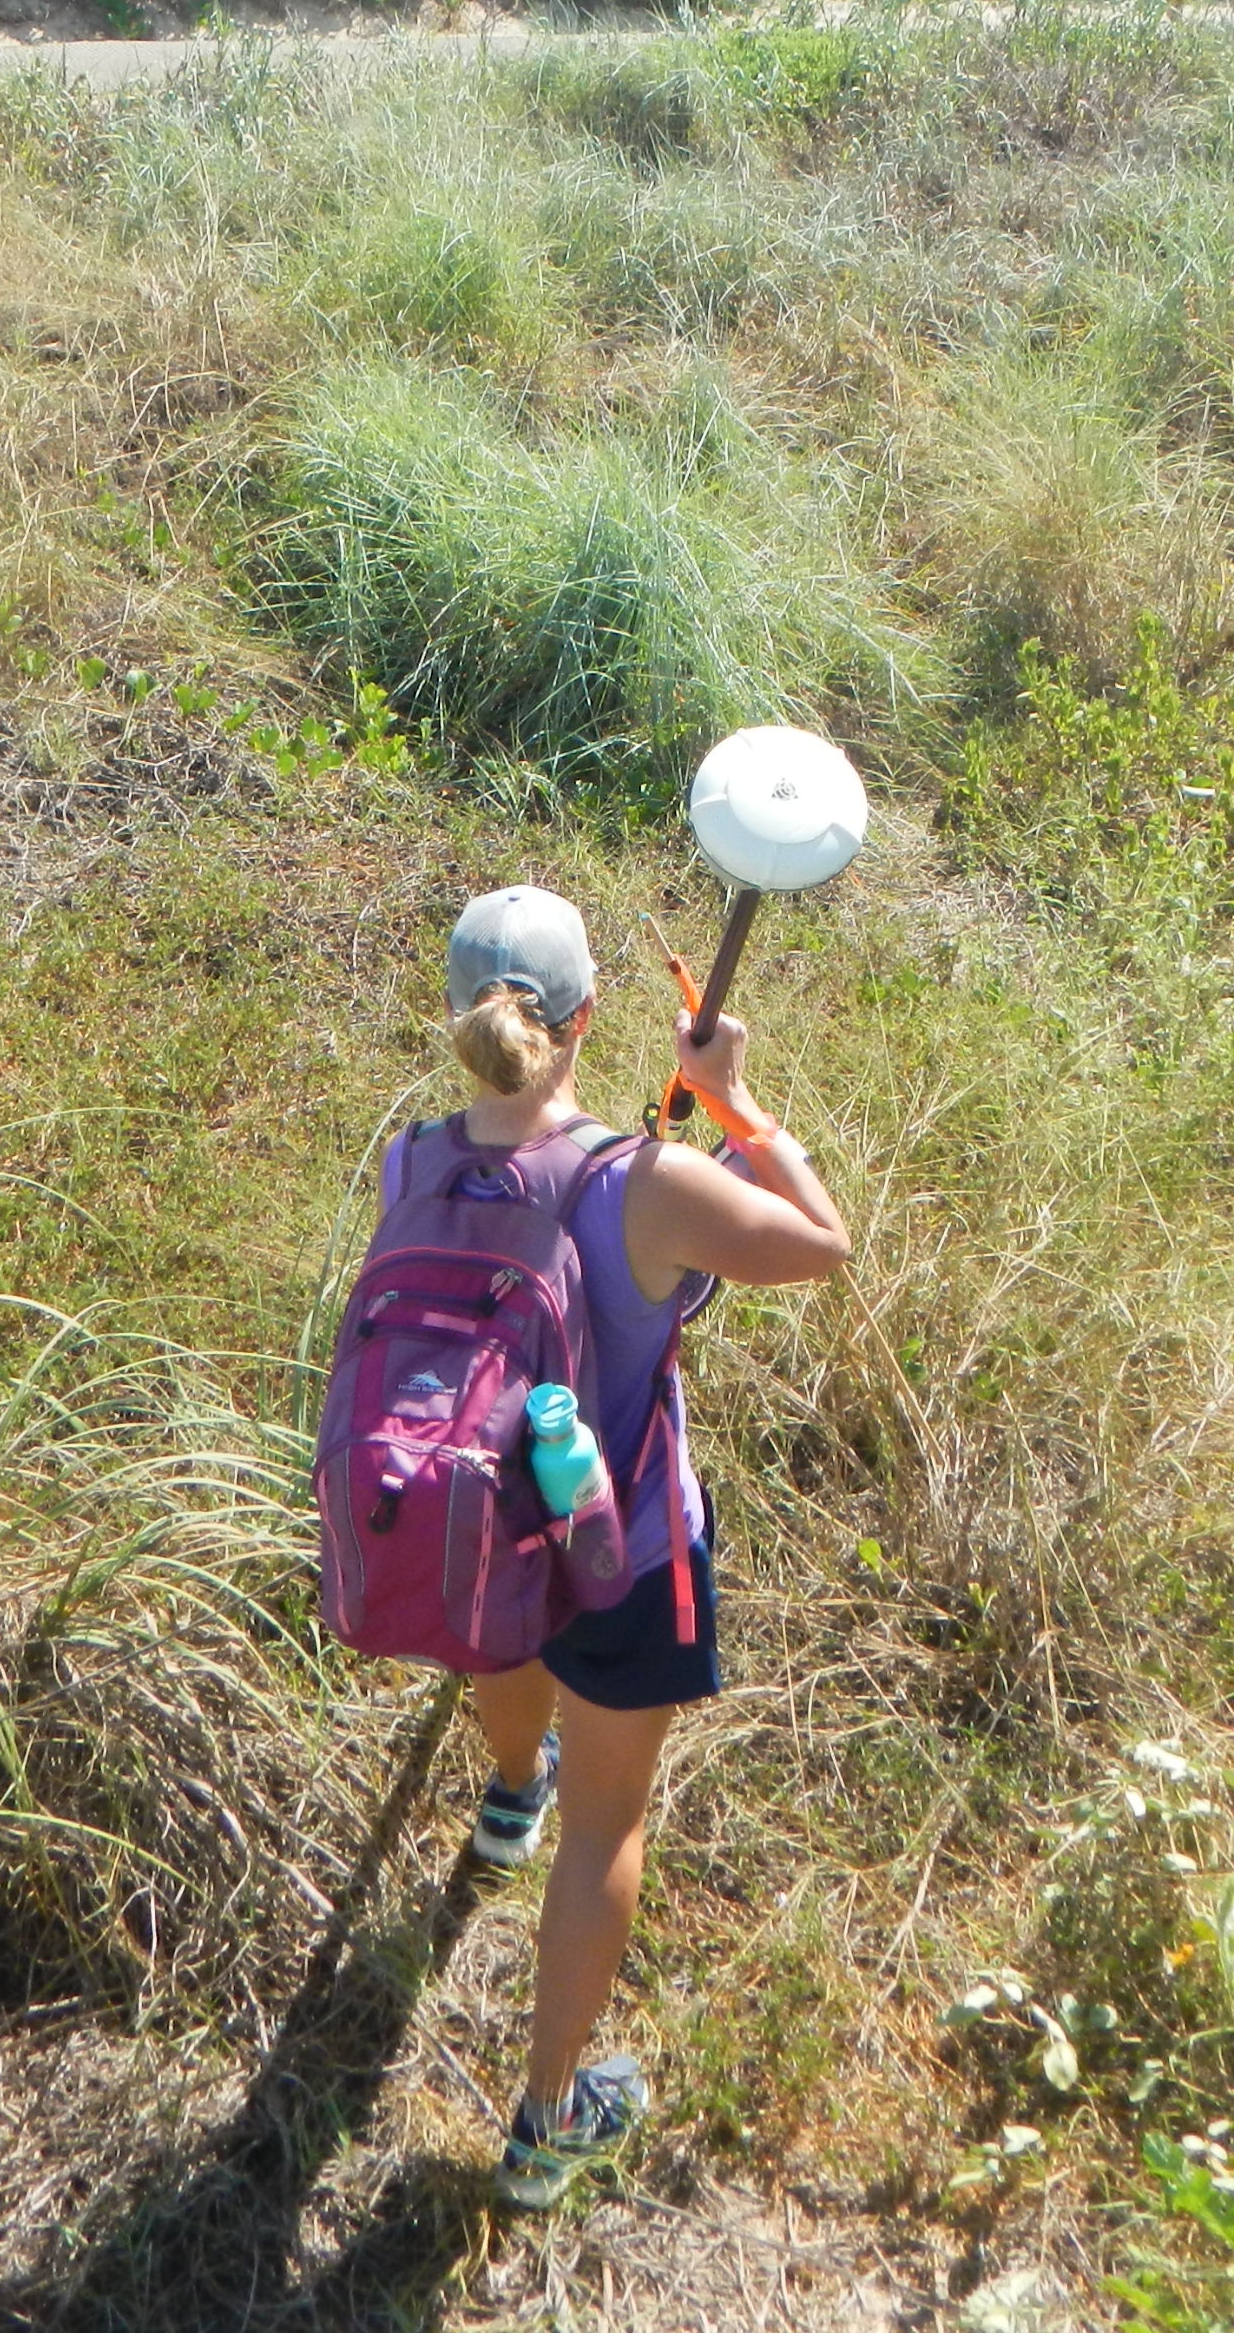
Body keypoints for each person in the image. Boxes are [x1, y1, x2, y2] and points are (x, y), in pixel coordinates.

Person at [419, 883, 851, 2209]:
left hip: (478, 1524)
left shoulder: (414, 1157)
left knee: (514, 1654)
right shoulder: (646, 1184)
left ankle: (505, 1798)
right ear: (588, 1019)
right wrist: (730, 1104)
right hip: (620, 1545)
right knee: (609, 1816)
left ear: (457, 1021)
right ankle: (548, 2124)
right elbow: (825, 1246)